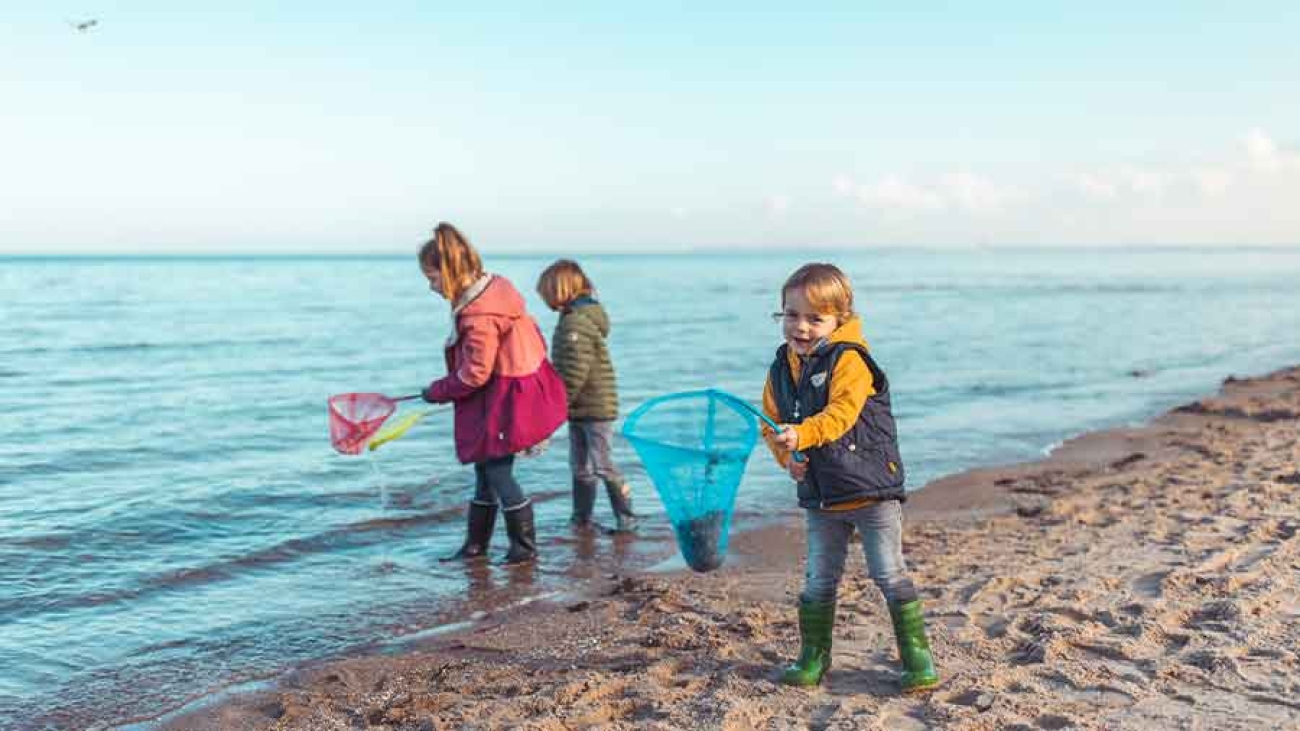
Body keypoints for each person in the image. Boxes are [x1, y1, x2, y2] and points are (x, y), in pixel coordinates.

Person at [761, 263, 939, 692]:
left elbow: (840, 416)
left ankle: (917, 657)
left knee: (888, 573)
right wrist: (787, 456)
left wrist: (803, 433)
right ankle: (813, 658)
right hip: (822, 498)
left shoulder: (851, 360)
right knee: (819, 577)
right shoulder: (781, 367)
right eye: (791, 314)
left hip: (872, 491)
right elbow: (770, 422)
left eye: (814, 318)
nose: (800, 327)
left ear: (839, 319)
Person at [418, 222, 567, 565]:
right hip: (507, 396)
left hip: (506, 402)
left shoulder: (480, 314)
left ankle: (524, 550)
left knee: (498, 473)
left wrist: (437, 391)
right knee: (484, 471)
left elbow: (475, 373)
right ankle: (475, 547)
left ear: (452, 271)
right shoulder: (495, 293)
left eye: (432, 278)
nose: (431, 287)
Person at [536, 259, 637, 534]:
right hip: (581, 407)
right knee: (581, 466)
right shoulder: (574, 318)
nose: (545, 300)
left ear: (561, 290)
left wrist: (555, 408)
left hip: (594, 407)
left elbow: (573, 374)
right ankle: (581, 519)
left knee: (602, 464)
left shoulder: (576, 324)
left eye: (546, 293)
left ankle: (627, 519)